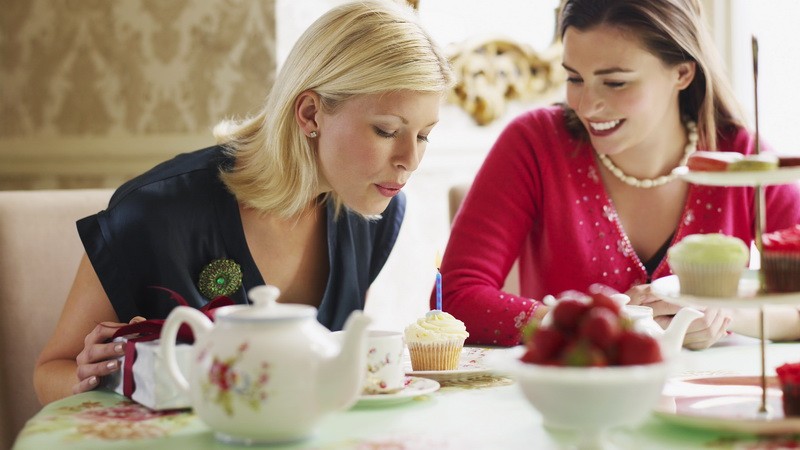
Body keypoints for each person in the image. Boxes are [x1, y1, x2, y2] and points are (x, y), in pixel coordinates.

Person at [34, 0, 454, 404]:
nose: (410, 161)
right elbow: (49, 371)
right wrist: (93, 374)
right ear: (309, 114)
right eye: (386, 130)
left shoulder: (374, 212)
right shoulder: (153, 214)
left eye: (423, 135)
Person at [438, 0, 800, 349]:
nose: (587, 105)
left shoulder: (741, 157)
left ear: (682, 72)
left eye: (615, 83)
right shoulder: (534, 143)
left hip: (712, 405)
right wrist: (598, 322)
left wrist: (727, 315)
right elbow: (455, 298)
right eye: (575, 78)